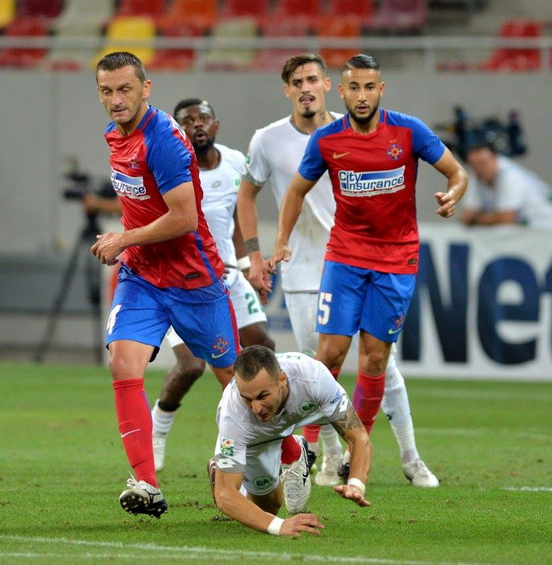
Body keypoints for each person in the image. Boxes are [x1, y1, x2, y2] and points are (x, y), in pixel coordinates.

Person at [237, 52, 441, 488]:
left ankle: (410, 455)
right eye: (297, 81)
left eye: (314, 78)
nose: (306, 87)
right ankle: (329, 459)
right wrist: (258, 253)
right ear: (288, 89)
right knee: (317, 368)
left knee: (381, 365)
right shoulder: (268, 140)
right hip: (303, 270)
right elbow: (248, 195)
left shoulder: (348, 129)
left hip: (352, 259)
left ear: (330, 84)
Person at [91, 52, 239, 519]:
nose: (115, 100)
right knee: (123, 364)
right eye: (106, 91)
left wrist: (122, 238)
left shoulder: (164, 142)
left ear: (146, 88)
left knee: (239, 384)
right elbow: (141, 205)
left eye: (124, 90)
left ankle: (292, 455)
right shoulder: (116, 135)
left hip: (194, 279)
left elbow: (184, 217)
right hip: (143, 276)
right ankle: (146, 483)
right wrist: (128, 244)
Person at [150, 98, 275, 473]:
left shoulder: (236, 162)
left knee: (262, 347)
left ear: (216, 125)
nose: (197, 125)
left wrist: (251, 264)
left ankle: (250, 444)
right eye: (187, 121)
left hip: (226, 276)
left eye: (203, 118)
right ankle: (159, 428)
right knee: (192, 366)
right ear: (178, 129)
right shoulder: (170, 168)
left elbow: (240, 218)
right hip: (180, 281)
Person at [208, 345, 371, 536]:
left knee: (260, 516)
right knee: (268, 510)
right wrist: (280, 526)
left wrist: (356, 484)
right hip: (256, 435)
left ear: (282, 380)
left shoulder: (313, 377)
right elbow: (225, 495)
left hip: (307, 411)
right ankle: (221, 468)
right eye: (247, 399)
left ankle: (292, 450)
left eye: (263, 396)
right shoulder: (233, 414)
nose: (256, 408)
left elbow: (358, 437)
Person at [462, 141, 552, 227]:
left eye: (483, 163)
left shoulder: (510, 175)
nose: (479, 169)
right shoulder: (477, 177)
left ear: (495, 159)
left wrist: (477, 220)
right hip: (538, 236)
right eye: (474, 165)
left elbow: (507, 219)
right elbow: (466, 217)